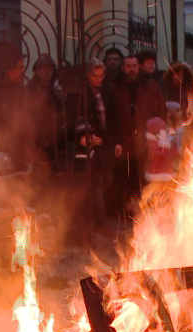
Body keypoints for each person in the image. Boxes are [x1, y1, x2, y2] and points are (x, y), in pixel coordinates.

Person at [111, 54, 167, 214]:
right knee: (125, 178)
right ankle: (126, 212)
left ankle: (147, 210)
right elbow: (112, 116)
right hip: (124, 140)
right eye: (128, 66)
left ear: (138, 67)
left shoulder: (151, 87)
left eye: (134, 66)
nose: (132, 70)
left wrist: (157, 136)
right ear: (123, 68)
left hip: (146, 140)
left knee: (146, 177)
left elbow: (161, 113)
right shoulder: (115, 89)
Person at [75, 59, 116, 234]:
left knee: (107, 180)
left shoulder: (107, 91)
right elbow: (78, 117)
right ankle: (99, 223)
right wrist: (86, 135)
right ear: (88, 75)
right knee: (96, 184)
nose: (98, 79)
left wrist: (116, 141)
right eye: (94, 76)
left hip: (105, 143)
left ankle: (101, 218)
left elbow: (113, 117)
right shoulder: (82, 93)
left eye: (101, 76)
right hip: (91, 146)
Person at [0, 41, 28, 171]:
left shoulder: (19, 89)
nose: (22, 71)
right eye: (19, 68)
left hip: (19, 146)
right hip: (3, 145)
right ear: (8, 68)